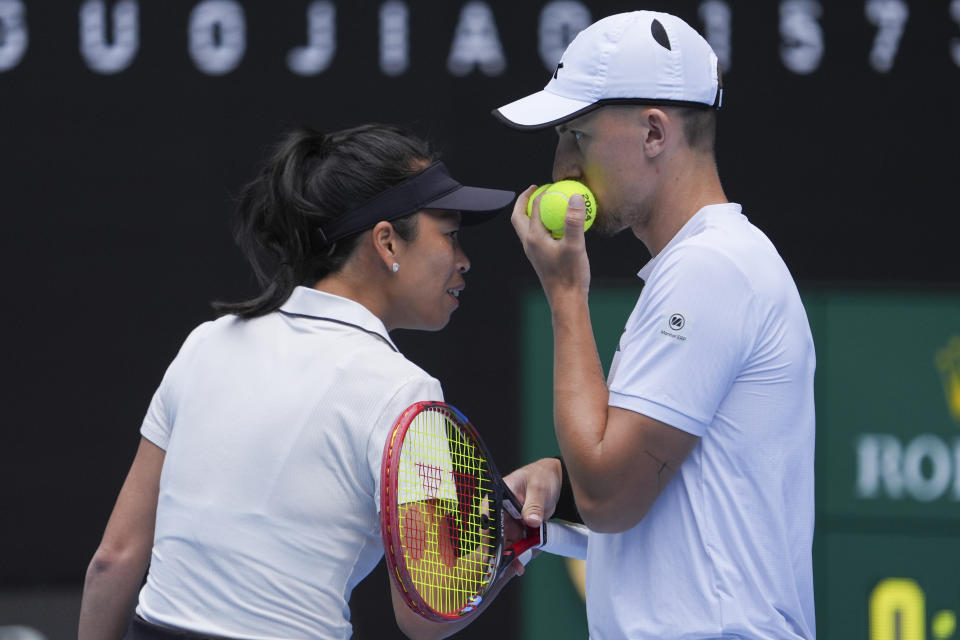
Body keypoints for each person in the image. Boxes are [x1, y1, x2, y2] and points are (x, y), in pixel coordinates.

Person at [78, 123, 519, 640]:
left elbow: (114, 559)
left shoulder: (206, 342)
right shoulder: (403, 391)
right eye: (450, 234)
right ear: (386, 242)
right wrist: (510, 543)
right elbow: (425, 614)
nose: (464, 261)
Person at [493, 10, 816, 639]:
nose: (561, 165)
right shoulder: (707, 264)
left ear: (653, 133)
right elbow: (674, 525)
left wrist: (565, 293)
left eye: (577, 134)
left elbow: (612, 500)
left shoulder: (710, 268)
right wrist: (561, 494)